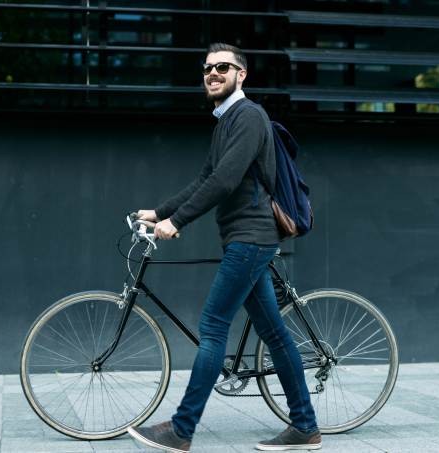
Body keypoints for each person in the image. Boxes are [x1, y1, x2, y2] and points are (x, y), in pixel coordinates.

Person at [126, 43, 321, 452]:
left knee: (214, 327)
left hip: (252, 238)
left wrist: (176, 222)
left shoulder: (249, 117)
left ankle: (182, 430)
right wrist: (158, 210)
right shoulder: (225, 122)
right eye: (207, 69)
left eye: (222, 67)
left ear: (241, 74)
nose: (212, 73)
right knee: (275, 335)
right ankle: (305, 427)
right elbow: (205, 179)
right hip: (244, 238)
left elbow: (225, 181)